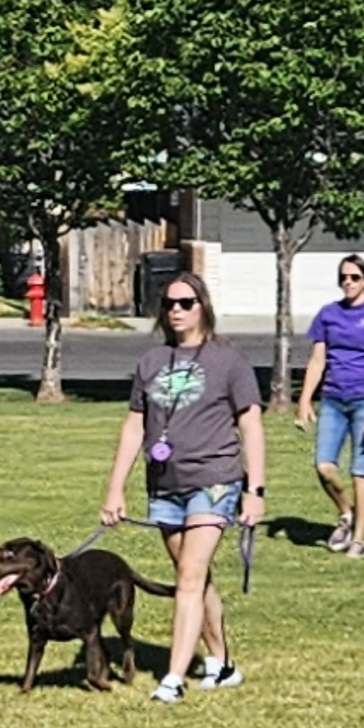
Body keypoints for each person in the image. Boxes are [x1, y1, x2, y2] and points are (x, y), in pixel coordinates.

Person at [102, 270, 266, 704]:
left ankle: (172, 680)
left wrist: (255, 491)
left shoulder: (229, 360)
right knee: (193, 575)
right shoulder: (152, 362)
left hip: (214, 480)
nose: (176, 310)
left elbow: (251, 424)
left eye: (186, 303)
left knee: (190, 576)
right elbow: (134, 426)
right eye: (169, 304)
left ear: (202, 307)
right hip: (165, 483)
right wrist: (115, 489)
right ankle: (222, 662)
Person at [295, 254, 364, 560]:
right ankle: (347, 512)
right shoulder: (328, 314)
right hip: (333, 399)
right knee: (323, 466)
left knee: (360, 471)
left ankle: (360, 539)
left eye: (354, 277)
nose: (348, 282)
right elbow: (317, 360)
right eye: (344, 277)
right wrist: (304, 400)